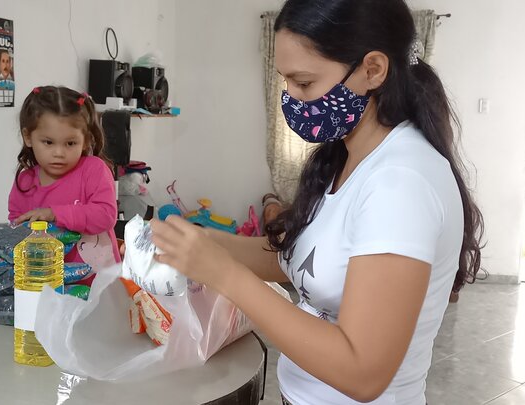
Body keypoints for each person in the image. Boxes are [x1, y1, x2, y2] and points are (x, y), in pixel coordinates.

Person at [148, 0, 483, 403]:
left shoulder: (401, 184)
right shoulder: (346, 157)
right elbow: (301, 261)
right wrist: (193, 244)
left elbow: (363, 373)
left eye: (304, 83)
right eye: (285, 81)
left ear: (372, 70)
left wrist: (225, 275)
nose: (290, 97)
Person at [8, 86, 120, 266]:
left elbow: (105, 216)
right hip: (45, 284)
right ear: (28, 137)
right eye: (48, 142)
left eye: (70, 143)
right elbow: (17, 231)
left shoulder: (94, 170)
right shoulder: (25, 182)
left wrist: (54, 214)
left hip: (97, 286)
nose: (59, 153)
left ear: (86, 141)